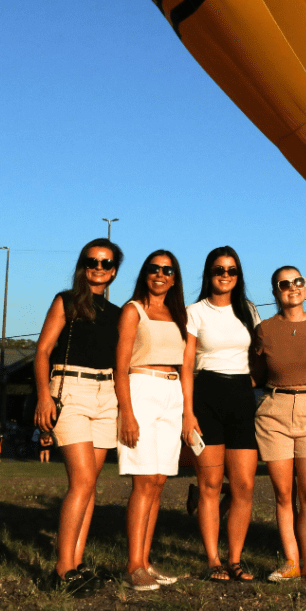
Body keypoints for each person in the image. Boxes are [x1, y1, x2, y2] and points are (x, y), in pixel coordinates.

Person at [34, 237, 124, 596]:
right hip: (70, 389)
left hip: (107, 395)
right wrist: (44, 395)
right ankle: (61, 570)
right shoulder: (66, 301)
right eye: (92, 261)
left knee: (91, 484)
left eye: (105, 263)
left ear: (114, 271)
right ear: (82, 264)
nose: (98, 268)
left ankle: (77, 562)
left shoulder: (118, 313)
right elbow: (42, 350)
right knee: (82, 481)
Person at [251, 266, 306, 583]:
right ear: (275, 292)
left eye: (297, 281)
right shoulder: (265, 329)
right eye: (284, 284)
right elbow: (257, 373)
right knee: (284, 494)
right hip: (275, 410)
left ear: (305, 285)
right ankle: (291, 561)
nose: (292, 287)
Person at [181, 246, 260, 581]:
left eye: (231, 270)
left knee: (243, 486)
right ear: (208, 274)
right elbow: (185, 366)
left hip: (242, 396)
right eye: (219, 270)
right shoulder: (194, 311)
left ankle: (235, 559)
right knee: (210, 484)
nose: (225, 275)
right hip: (207, 396)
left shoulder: (249, 311)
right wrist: (188, 413)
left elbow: (259, 357)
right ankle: (214, 560)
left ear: (238, 275)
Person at [115, 250, 188, 591]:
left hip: (173, 394)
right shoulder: (134, 311)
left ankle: (145, 561)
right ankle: (133, 565)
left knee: (159, 481)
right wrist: (126, 412)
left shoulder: (179, 314)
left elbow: (187, 364)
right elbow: (121, 364)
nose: (160, 274)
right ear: (145, 273)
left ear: (174, 277)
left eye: (167, 270)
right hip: (142, 388)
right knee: (143, 481)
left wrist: (187, 409)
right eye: (154, 268)